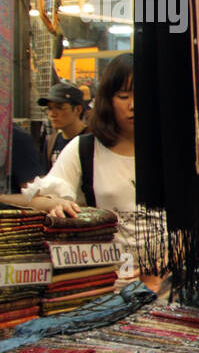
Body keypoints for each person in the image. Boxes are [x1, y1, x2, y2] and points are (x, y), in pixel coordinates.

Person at [23, 53, 157, 289]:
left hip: (172, 283)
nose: (133, 105)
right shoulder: (85, 149)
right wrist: (56, 203)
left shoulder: (178, 152)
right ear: (107, 99)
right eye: (123, 96)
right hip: (113, 283)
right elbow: (37, 197)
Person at [38, 81, 90, 166]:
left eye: (60, 108)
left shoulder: (94, 141)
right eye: (49, 108)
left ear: (77, 110)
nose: (52, 114)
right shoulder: (51, 142)